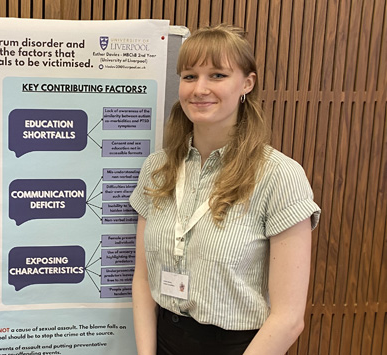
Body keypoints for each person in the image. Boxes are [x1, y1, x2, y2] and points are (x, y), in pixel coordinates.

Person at [129, 24, 320, 355]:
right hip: (164, 340)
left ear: (247, 83)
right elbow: (143, 281)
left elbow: (289, 319)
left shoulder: (280, 176)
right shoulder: (157, 168)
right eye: (190, 76)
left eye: (217, 75)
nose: (200, 88)